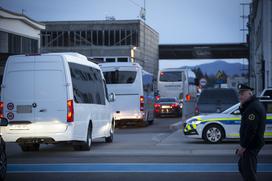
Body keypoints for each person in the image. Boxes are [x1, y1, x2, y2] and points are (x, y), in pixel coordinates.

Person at [236, 84, 266, 181]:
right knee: (242, 166)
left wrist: (243, 146)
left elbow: (251, 130)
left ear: (249, 93)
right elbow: (245, 116)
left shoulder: (252, 108)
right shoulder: (252, 105)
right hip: (251, 143)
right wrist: (241, 106)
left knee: (249, 173)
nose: (240, 96)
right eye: (239, 94)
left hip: (251, 145)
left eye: (242, 94)